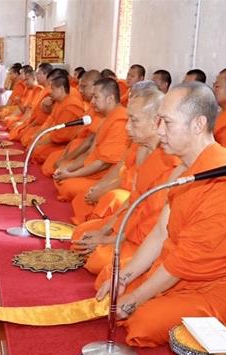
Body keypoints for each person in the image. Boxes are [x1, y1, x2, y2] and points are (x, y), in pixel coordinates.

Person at [96, 82, 226, 347]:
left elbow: (184, 261)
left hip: (217, 288)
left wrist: (135, 298)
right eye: (158, 121)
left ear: (198, 124)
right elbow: (161, 232)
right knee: (110, 279)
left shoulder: (225, 183)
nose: (159, 130)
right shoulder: (187, 169)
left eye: (167, 123)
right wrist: (123, 278)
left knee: (142, 322)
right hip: (177, 270)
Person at [71, 85, 181, 276]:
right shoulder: (143, 150)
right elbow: (134, 200)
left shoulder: (174, 163)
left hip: (147, 240)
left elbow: (156, 225)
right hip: (131, 225)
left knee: (101, 262)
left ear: (156, 122)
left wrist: (111, 240)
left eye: (134, 121)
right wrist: (106, 231)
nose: (127, 126)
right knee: (80, 234)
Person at [53, 78, 129, 200]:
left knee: (67, 185)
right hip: (92, 167)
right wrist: (68, 169)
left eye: (96, 97)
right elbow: (90, 152)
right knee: (60, 172)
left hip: (105, 176)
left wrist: (71, 175)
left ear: (110, 99)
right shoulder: (108, 117)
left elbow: (104, 163)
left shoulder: (120, 120)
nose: (92, 102)